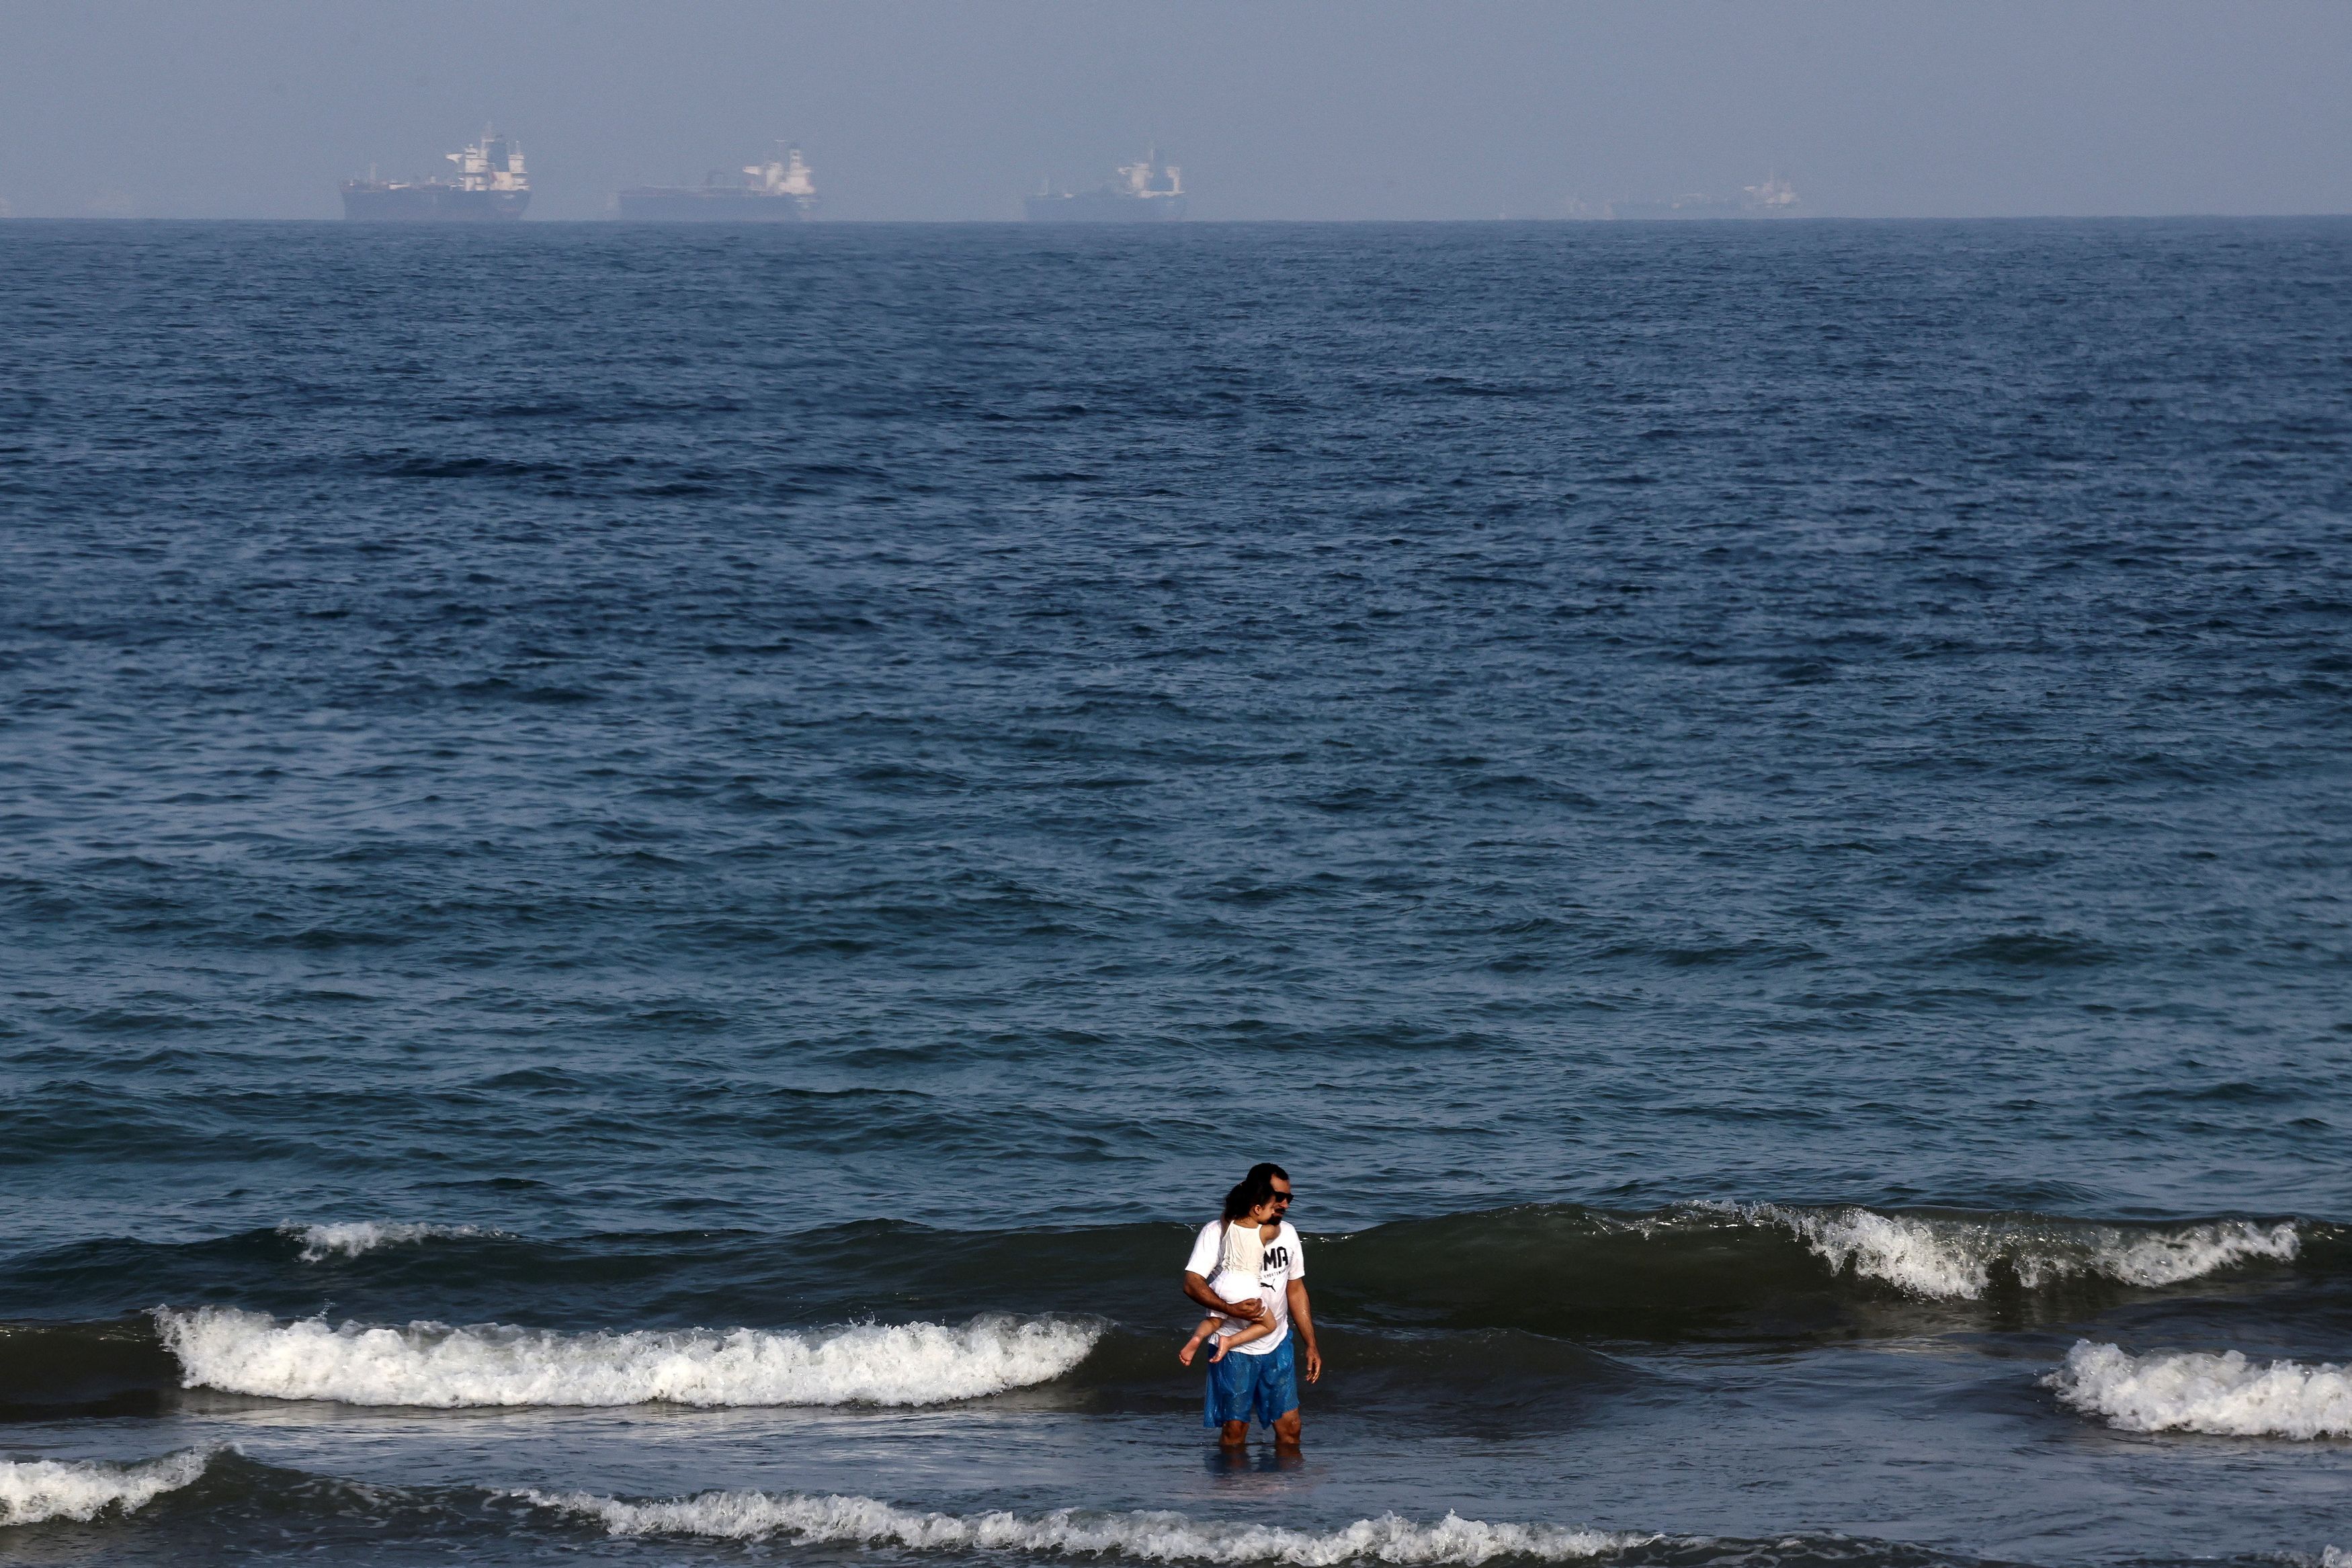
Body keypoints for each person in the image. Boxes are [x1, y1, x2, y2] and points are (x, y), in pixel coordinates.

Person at [1181, 1162, 1321, 1448]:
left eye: (1289, 1199)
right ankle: (1232, 1490)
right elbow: (1192, 1283)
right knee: (1235, 1432)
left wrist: (1311, 1343)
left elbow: (1295, 1289)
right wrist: (1231, 1310)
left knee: (1291, 1430)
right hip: (1233, 1349)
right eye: (1278, 1197)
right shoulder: (1216, 1232)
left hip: (1277, 1342)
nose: (1284, 1204)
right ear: (1257, 1199)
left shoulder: (1288, 1234)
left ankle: (1287, 1490)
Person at [1177, 1210, 1279, 1364]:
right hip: (1244, 1288)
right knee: (1269, 1324)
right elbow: (1276, 1229)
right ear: (1257, 1209)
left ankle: (1198, 1337)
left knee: (1214, 1322)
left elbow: (1225, 1214)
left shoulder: (1228, 1225)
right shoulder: (1264, 1231)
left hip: (1222, 1283)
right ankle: (1230, 1341)